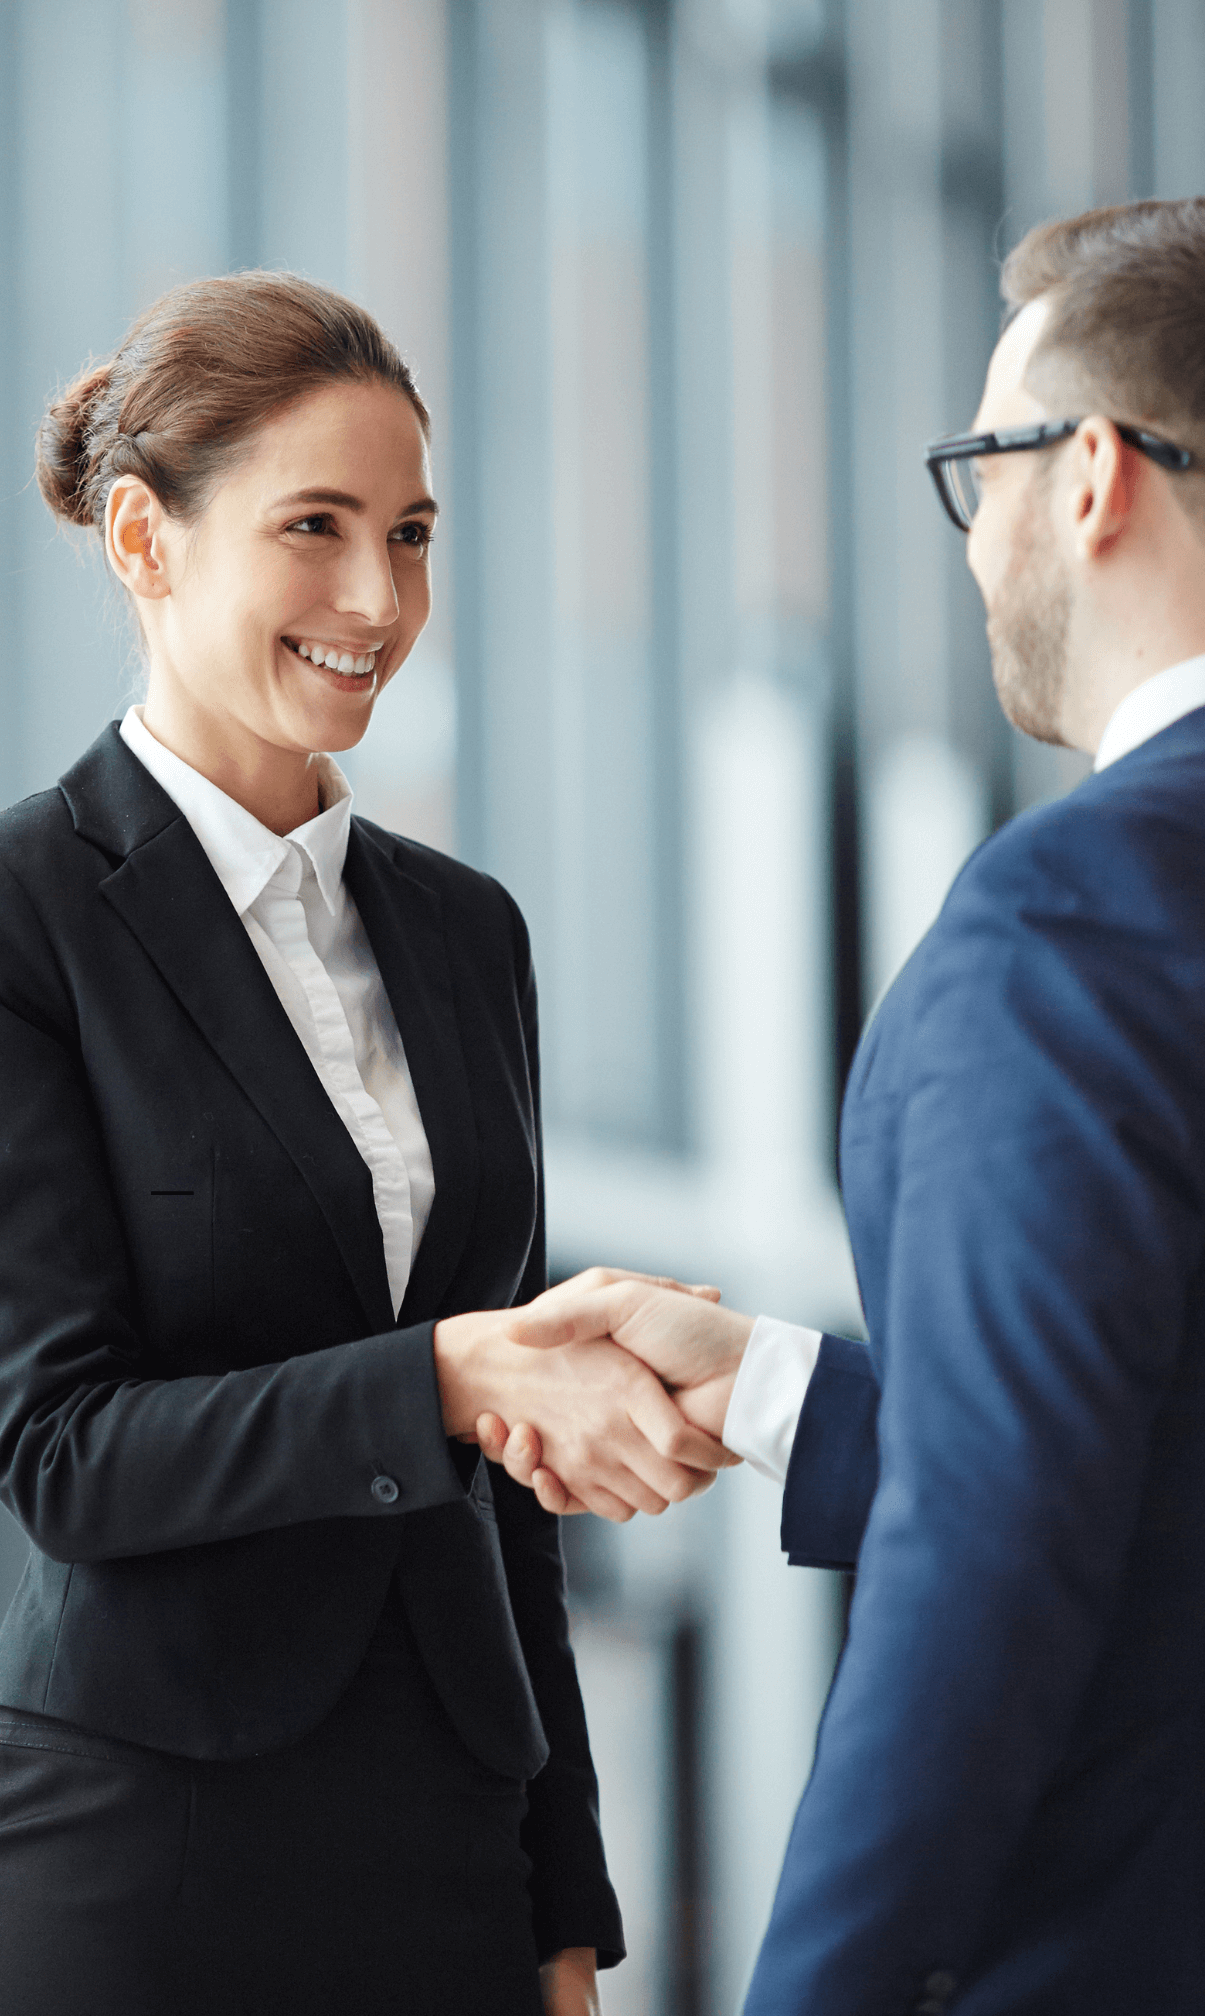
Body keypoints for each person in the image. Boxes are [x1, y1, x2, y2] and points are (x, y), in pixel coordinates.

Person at [490, 194, 1205, 2013]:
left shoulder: (1079, 916)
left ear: (1097, 474)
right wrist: (786, 1394)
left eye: (987, 469)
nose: (976, 550)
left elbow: (989, 1593)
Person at [0, 272, 732, 2016]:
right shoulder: (28, 919)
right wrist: (450, 1378)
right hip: (147, 1851)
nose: (374, 598)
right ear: (142, 540)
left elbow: (519, 1493)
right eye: (311, 528)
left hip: (453, 1846)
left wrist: (568, 1898)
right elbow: (61, 1452)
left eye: (408, 535)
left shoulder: (467, 932)